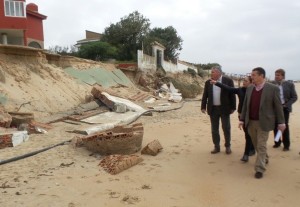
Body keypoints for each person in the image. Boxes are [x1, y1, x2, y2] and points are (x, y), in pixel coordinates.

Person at [239, 67, 285, 179]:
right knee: (255, 144)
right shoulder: (250, 88)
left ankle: (259, 169)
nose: (252, 77)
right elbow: (245, 105)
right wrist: (242, 119)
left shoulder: (272, 88)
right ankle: (265, 157)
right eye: (251, 75)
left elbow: (278, 106)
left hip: (264, 122)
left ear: (261, 76)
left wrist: (281, 122)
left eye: (254, 75)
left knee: (261, 144)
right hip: (251, 122)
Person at [211, 76, 255, 162]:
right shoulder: (240, 90)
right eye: (243, 81)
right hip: (241, 115)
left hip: (251, 116)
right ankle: (251, 149)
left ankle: (247, 153)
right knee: (247, 133)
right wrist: (217, 83)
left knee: (249, 134)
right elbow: (228, 88)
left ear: (251, 82)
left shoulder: (255, 91)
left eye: (246, 81)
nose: (244, 82)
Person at [201, 65, 236, 154]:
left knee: (226, 128)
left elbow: (232, 94)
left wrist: (233, 107)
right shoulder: (208, 82)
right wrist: (203, 106)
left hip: (225, 108)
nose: (211, 73)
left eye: (213, 72)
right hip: (213, 109)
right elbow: (205, 95)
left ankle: (228, 146)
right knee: (214, 129)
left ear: (218, 72)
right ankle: (216, 147)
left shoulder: (228, 81)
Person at [271, 69, 298, 151]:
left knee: (284, 126)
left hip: (285, 108)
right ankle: (277, 142)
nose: (276, 76)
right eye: (275, 75)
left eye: (278, 75)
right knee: (275, 126)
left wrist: (286, 105)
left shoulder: (289, 84)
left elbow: (294, 97)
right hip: (275, 108)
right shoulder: (272, 84)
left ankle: (286, 145)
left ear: (283, 76)